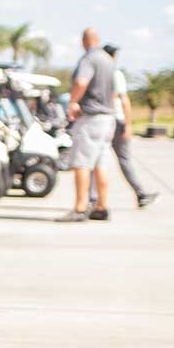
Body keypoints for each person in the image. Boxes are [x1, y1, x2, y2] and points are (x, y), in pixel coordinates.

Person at [90, 44, 157, 209]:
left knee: (95, 160)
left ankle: (92, 198)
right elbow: (122, 99)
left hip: (101, 120)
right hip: (115, 121)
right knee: (121, 159)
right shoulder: (114, 73)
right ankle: (140, 193)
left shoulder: (96, 73)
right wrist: (128, 124)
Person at [60, 27, 117, 222]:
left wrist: (73, 102)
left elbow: (82, 82)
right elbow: (114, 93)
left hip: (91, 117)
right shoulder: (109, 60)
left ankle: (80, 207)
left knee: (81, 163)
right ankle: (101, 206)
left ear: (84, 40)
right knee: (101, 163)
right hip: (108, 118)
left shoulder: (89, 59)